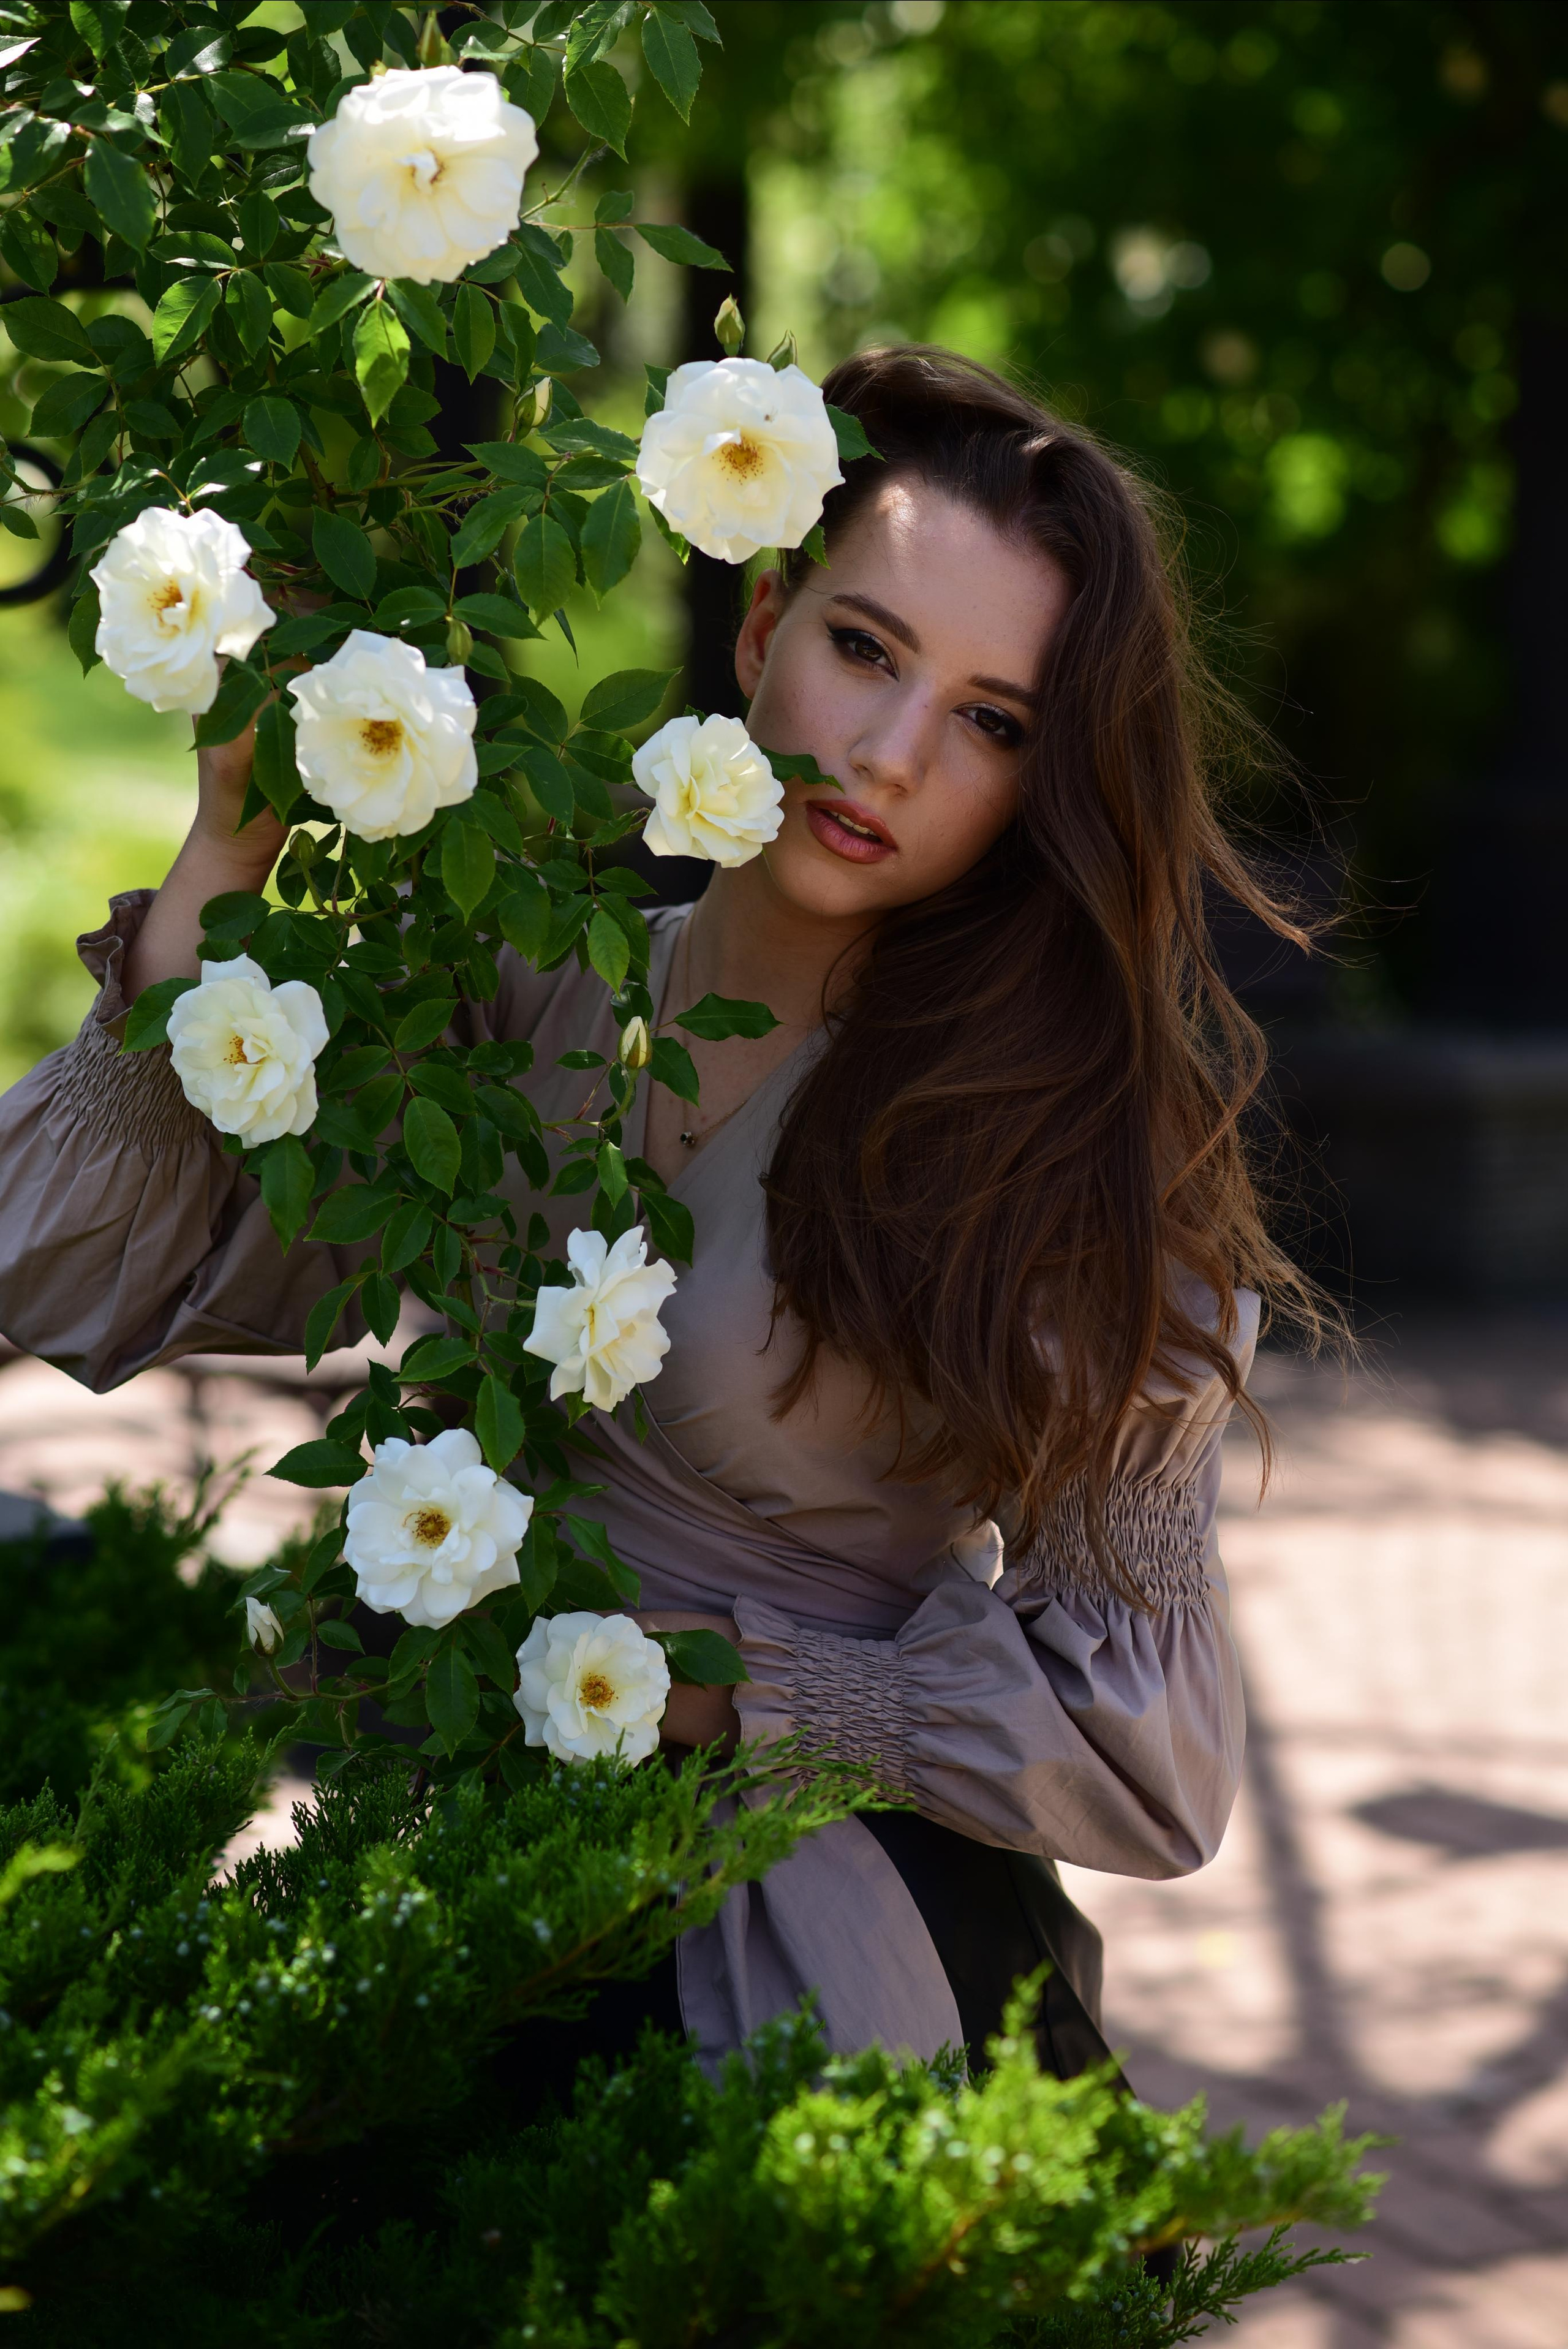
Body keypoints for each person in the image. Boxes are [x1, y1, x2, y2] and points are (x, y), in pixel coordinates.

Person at [0, 346, 1317, 2084]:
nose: (890, 754)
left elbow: (1148, 1754)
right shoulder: (522, 985)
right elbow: (72, 1271)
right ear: (764, 622)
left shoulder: (1042, 1157)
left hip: (792, 1941)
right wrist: (229, 848)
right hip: (447, 1835)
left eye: (993, 723)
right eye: (865, 648)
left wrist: (741, 1692)